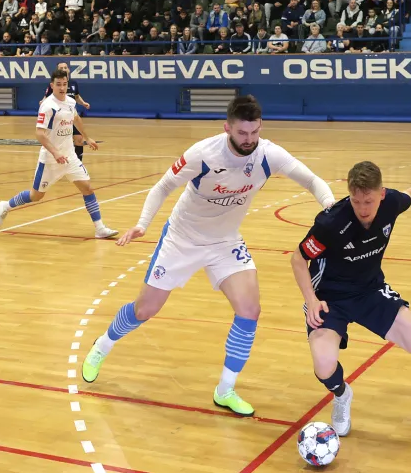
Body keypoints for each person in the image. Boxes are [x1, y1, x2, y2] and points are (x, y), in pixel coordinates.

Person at [82, 95, 337, 416]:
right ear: (227, 127)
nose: (249, 140)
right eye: (243, 134)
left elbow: (312, 180)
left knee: (250, 310)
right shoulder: (203, 154)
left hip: (224, 242)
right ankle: (102, 346)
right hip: (182, 238)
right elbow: (161, 187)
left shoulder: (269, 154)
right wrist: (143, 224)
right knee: (145, 309)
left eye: (255, 133)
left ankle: (225, 390)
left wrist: (331, 208)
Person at [291, 160, 411, 436]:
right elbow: (298, 258)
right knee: (324, 366)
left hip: (370, 291)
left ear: (382, 194)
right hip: (331, 299)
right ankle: (341, 395)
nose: (363, 209)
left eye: (369, 201)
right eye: (356, 201)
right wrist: (311, 299)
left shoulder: (390, 204)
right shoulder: (331, 222)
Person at [0, 68, 118, 239]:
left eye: (64, 84)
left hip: (70, 156)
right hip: (51, 160)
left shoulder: (70, 102)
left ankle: (100, 228)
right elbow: (39, 133)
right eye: (58, 84)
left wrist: (87, 139)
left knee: (87, 188)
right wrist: (55, 153)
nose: (62, 87)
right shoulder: (48, 106)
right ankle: (6, 205)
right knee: (36, 195)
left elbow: (76, 119)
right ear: (52, 85)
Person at [44, 62, 91, 161]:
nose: (64, 69)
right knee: (60, 142)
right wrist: (42, 102)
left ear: (69, 70)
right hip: (59, 118)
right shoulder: (54, 85)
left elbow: (77, 97)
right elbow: (47, 97)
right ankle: (56, 159)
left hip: (71, 116)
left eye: (65, 67)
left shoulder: (73, 83)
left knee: (79, 139)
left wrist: (83, 103)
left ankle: (77, 163)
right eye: (61, 68)